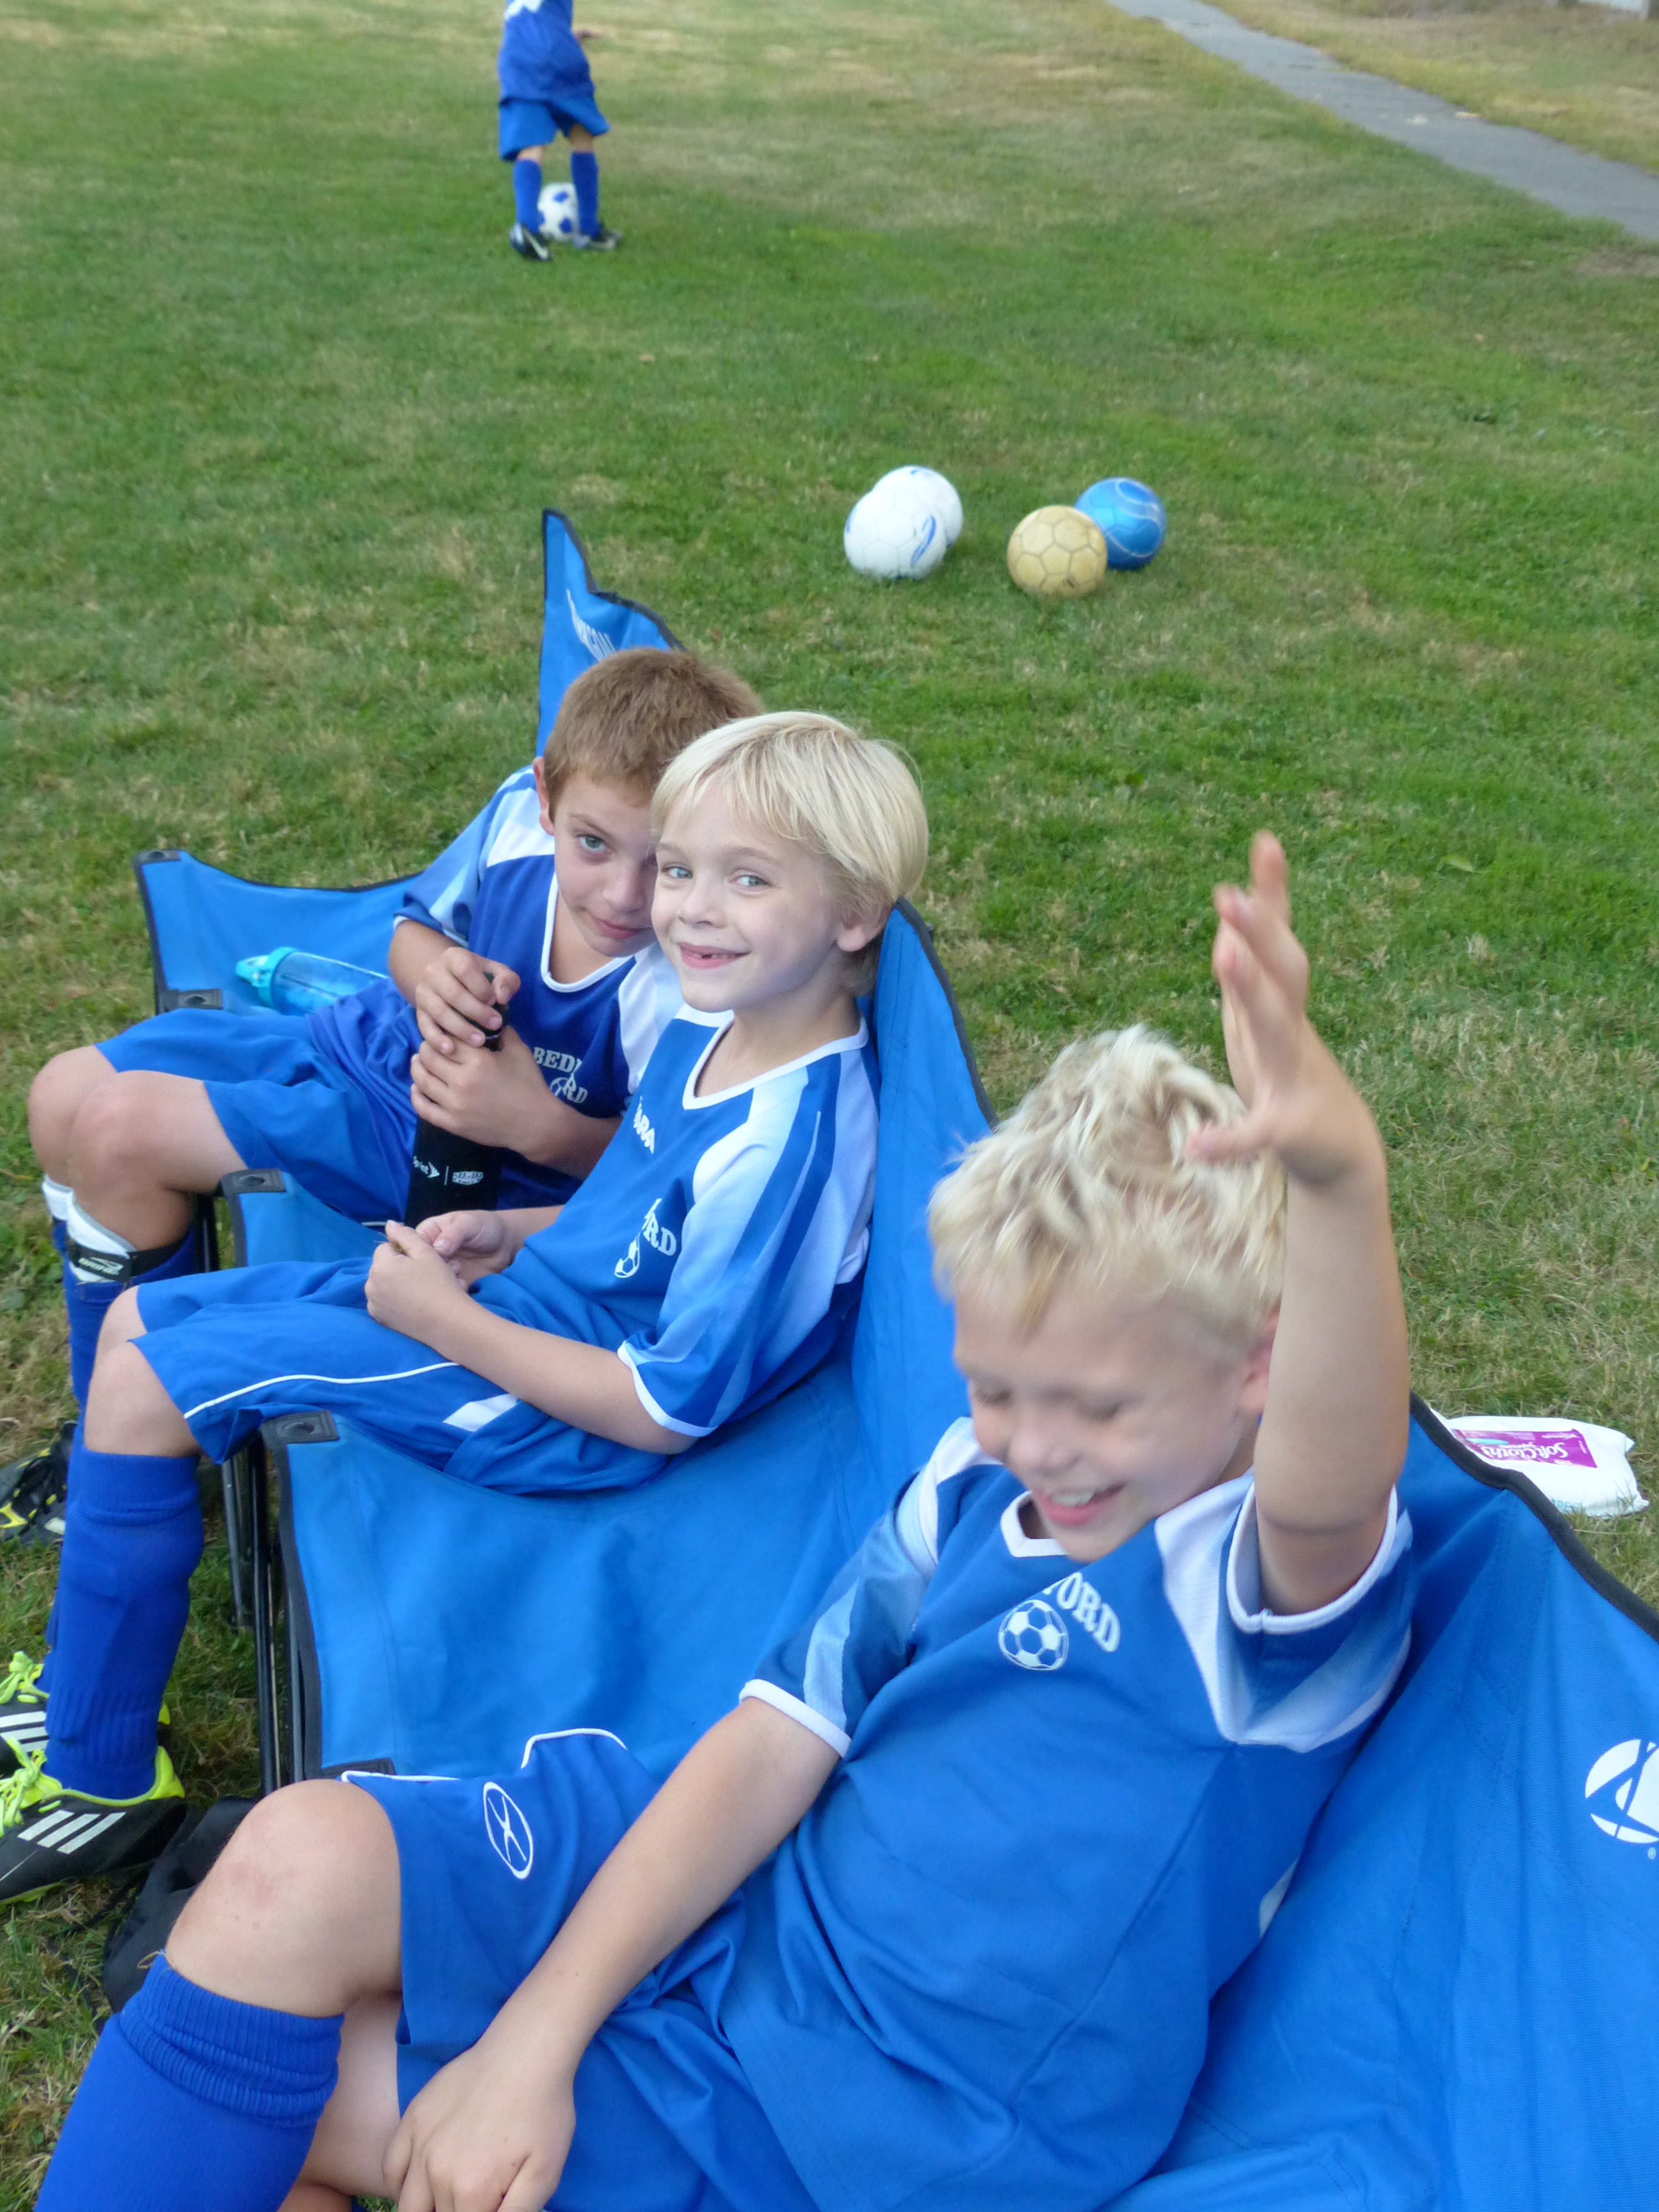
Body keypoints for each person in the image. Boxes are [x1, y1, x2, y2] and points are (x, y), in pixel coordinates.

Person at [34, 832, 1417, 2212]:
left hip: (858, 2100)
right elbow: (773, 1736)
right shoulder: (971, 1481)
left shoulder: (1252, 1595)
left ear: (1256, 1364)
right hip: (762, 1894)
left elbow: (1335, 1477)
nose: (1038, 1444)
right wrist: (538, 2031)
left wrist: (1339, 1180)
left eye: (1097, 1408)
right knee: (291, 1865)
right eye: (998, 1386)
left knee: (284, 2096)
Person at [0, 713, 929, 1905]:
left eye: (746, 880)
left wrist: (447, 1321)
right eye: (684, 870)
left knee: (144, 1376)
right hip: (520, 1305)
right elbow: (636, 1217)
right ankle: (84, 1701)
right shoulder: (728, 1020)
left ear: (854, 915)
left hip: (553, 1403)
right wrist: (511, 1233)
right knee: (141, 1330)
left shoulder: (785, 1139)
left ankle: (100, 1783)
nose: (689, 910)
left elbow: (663, 1408)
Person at [8, 649, 759, 1547]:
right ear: (546, 796)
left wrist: (542, 1126)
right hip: (365, 1045)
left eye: (664, 862)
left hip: (451, 1157)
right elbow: (413, 934)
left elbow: (655, 1182)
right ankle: (106, 1425)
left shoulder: (689, 978)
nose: (625, 894)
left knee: (118, 1128)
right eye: (592, 844)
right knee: (61, 1095)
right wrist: (434, 975)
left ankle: (112, 1452)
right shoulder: (518, 820)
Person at [499, 1, 618, 259]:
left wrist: (564, 36)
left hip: (516, 60)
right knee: (581, 134)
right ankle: (588, 230)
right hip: (556, 55)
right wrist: (562, 43)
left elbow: (533, 19)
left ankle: (527, 229)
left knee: (531, 145)